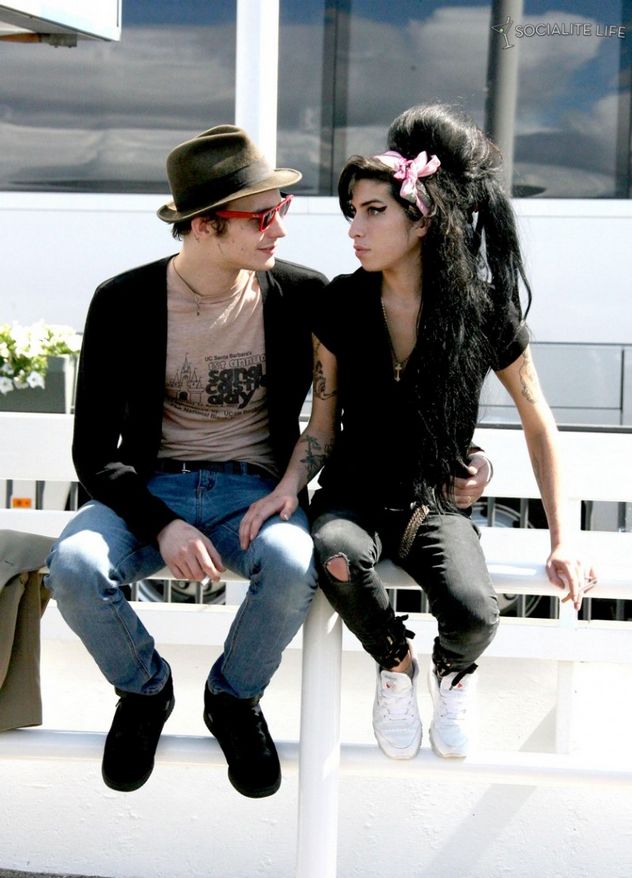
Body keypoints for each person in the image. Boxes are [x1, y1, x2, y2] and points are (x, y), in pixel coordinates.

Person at [240, 103, 596, 762]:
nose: (356, 227)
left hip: (434, 504)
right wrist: (287, 488)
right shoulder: (341, 302)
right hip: (352, 497)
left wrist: (564, 540)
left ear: (423, 217)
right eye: (352, 211)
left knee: (476, 611)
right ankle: (396, 664)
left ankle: (453, 672)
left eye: (374, 211)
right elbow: (321, 422)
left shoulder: (482, 310)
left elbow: (539, 421)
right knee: (336, 552)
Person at [44, 125, 327, 798]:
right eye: (261, 217)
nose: (280, 229)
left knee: (294, 563)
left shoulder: (302, 295)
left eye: (282, 210)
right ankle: (145, 690)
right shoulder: (123, 301)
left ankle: (233, 698)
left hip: (254, 493)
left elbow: (358, 391)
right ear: (204, 225)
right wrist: (162, 523)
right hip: (149, 492)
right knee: (74, 566)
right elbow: (92, 453)